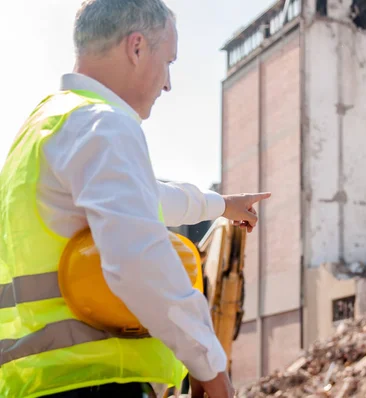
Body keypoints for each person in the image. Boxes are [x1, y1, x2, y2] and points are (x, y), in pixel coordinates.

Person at [0, 0, 270, 397]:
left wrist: (221, 205)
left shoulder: (44, 130)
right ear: (137, 48)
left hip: (33, 383)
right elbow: (139, 257)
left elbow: (141, 199)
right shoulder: (103, 123)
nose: (168, 84)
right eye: (169, 62)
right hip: (95, 381)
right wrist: (209, 366)